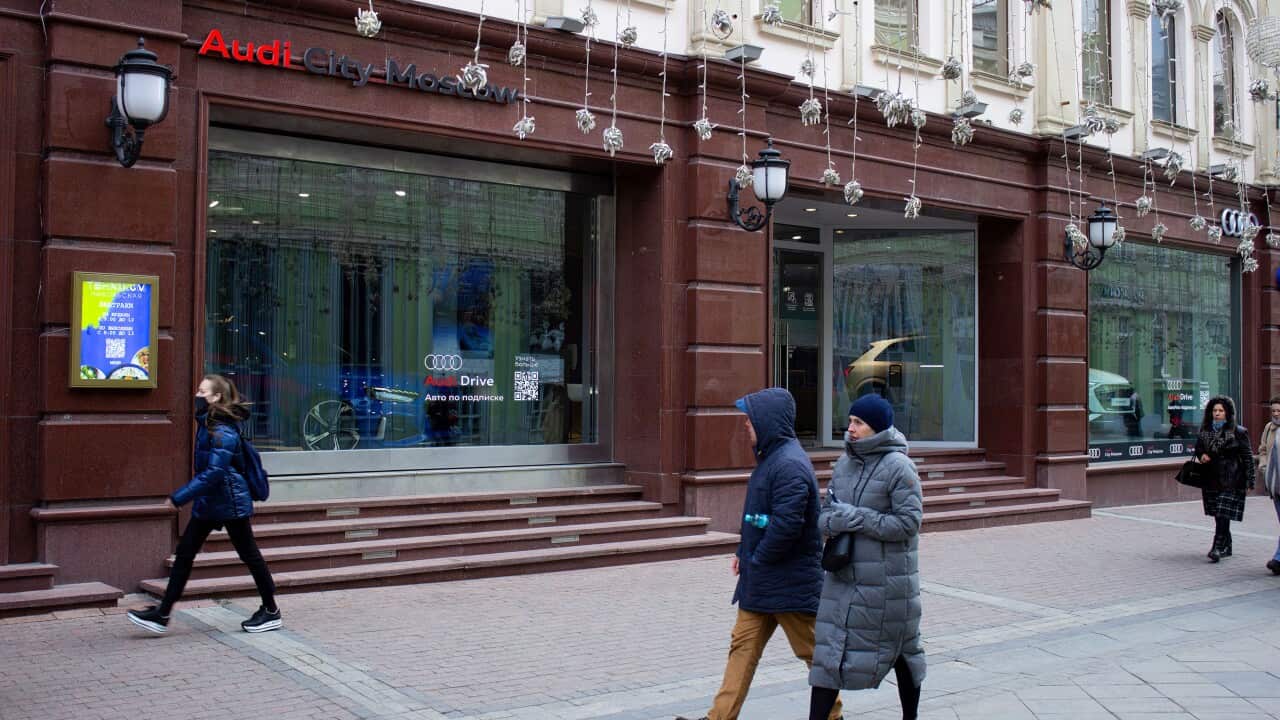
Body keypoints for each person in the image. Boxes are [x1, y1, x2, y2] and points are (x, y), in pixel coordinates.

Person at [677, 388, 842, 720]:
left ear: (767, 422)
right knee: (741, 648)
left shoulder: (790, 464)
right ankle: (718, 718)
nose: (746, 426)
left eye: (750, 420)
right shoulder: (773, 458)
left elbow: (786, 526)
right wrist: (743, 550)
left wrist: (758, 557)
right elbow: (758, 516)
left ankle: (833, 716)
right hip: (763, 581)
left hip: (789, 584)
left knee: (814, 655)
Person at [127, 374, 282, 634]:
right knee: (185, 554)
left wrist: (178, 498)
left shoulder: (222, 430)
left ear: (216, 397)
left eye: (202, 391)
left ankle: (271, 611)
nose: (197, 395)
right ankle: (162, 614)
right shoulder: (209, 424)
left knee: (249, 555)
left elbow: (214, 473)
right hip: (211, 501)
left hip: (230, 502)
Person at [809, 394, 925, 720]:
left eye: (859, 423)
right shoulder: (844, 464)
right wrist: (837, 520)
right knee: (828, 658)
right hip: (843, 578)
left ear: (877, 428)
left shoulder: (900, 467)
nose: (851, 429)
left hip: (886, 584)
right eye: (850, 421)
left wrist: (856, 518)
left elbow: (908, 523)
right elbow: (825, 517)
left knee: (901, 652)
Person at [1194, 395, 1255, 563]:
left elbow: (1248, 456)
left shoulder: (1238, 432)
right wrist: (1202, 455)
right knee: (1218, 514)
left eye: (1221, 410)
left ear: (1227, 413)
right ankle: (1227, 545)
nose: (1217, 413)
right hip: (1211, 478)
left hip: (1232, 478)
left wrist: (1250, 480)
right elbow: (1198, 449)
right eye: (1214, 410)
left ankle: (1217, 547)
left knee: (1222, 511)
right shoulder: (1205, 430)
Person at [1258, 397, 1280, 575]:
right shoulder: (1269, 428)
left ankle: (1278, 559)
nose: (1276, 414)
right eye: (1273, 410)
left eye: (1279, 410)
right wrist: (1264, 469)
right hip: (1275, 484)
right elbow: (1263, 449)